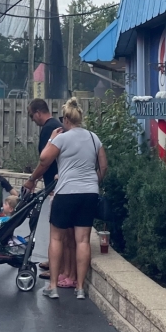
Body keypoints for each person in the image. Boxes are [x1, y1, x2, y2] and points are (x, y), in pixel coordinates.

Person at [24, 98, 108, 301]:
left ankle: (53, 287)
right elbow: (103, 166)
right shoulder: (94, 138)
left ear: (66, 120)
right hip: (89, 194)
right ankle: (80, 288)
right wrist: (93, 181)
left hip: (66, 193)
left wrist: (51, 139)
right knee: (82, 241)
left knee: (56, 238)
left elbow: (44, 159)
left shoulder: (62, 138)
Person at [28, 98, 67, 282]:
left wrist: (32, 179)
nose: (32, 120)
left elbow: (45, 161)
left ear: (38, 113)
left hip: (57, 186)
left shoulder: (49, 129)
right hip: (59, 184)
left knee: (57, 230)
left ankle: (56, 268)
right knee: (57, 229)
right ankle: (53, 262)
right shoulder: (57, 126)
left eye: (31, 116)